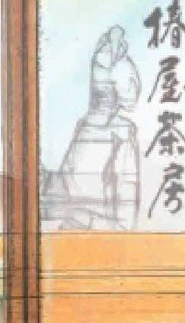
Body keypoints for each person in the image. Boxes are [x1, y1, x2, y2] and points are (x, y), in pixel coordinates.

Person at [50, 24, 140, 229]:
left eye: (104, 89)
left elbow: (124, 226)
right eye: (96, 85)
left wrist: (76, 215)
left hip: (96, 243)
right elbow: (64, 189)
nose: (97, 92)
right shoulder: (83, 126)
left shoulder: (122, 135)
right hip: (67, 235)